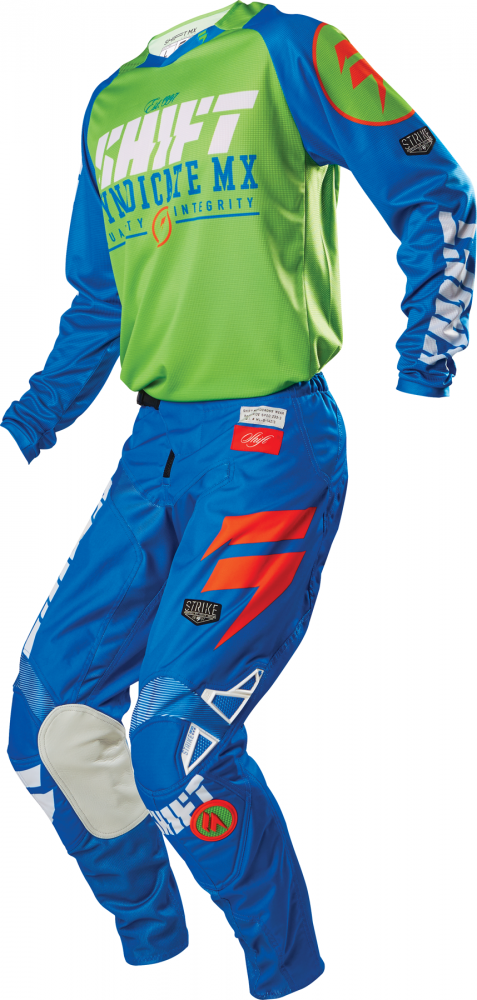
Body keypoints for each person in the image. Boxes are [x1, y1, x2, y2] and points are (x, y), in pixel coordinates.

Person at [3, 4, 474, 998]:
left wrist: (426, 353)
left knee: (173, 745)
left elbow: (432, 186)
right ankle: (153, 944)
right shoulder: (110, 103)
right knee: (48, 724)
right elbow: (102, 301)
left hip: (271, 442)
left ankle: (286, 973)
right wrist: (26, 424)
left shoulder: (287, 49)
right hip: (155, 449)